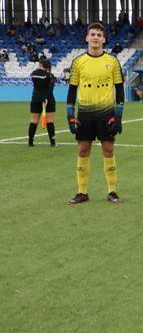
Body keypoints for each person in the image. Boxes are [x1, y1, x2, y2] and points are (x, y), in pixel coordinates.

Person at [66, 23, 125, 205]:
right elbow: (72, 91)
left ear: (104, 39)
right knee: (83, 149)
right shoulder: (78, 62)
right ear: (87, 37)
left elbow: (120, 90)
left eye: (99, 35)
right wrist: (70, 115)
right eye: (92, 34)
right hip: (84, 113)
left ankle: (112, 191)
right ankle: (82, 192)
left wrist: (119, 115)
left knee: (108, 150)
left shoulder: (113, 61)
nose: (95, 37)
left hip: (106, 113)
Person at [28, 58, 56, 146]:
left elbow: (36, 79)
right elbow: (50, 89)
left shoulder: (33, 74)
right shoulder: (50, 76)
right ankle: (53, 142)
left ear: (40, 65)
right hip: (48, 99)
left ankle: (30, 142)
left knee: (33, 121)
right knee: (50, 121)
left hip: (35, 99)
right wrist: (46, 98)